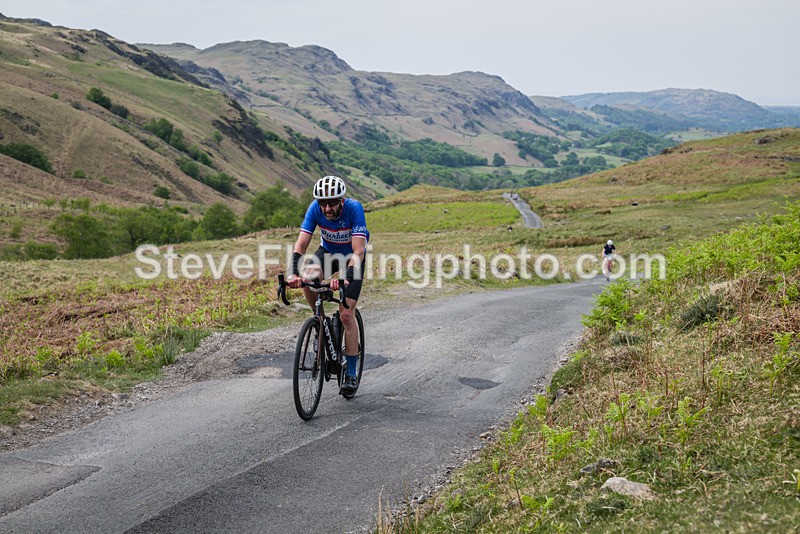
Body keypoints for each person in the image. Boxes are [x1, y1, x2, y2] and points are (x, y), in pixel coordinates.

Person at [287, 175, 369, 395]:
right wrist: (293, 272)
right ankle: (319, 321)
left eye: (332, 202)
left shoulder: (354, 209)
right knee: (308, 278)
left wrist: (346, 275)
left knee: (345, 316)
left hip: (352, 257)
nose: (327, 207)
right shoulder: (315, 208)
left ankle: (351, 372)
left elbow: (358, 251)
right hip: (328, 252)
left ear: (341, 200)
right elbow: (301, 244)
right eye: (323, 202)